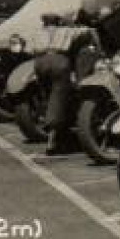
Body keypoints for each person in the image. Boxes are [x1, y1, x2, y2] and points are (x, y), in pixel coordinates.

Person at [32, 13, 91, 153]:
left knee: (48, 95)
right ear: (58, 22)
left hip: (40, 63)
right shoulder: (66, 30)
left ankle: (46, 120)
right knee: (57, 99)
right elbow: (86, 32)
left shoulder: (39, 33)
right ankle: (52, 140)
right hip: (59, 62)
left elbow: (32, 50)